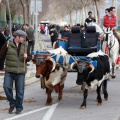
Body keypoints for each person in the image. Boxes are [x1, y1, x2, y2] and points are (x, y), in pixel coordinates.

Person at [0, 30, 32, 114]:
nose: (24, 39)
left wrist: (27, 57)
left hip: (20, 71)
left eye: (24, 38)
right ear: (16, 37)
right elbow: (1, 55)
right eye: (22, 37)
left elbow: (30, 57)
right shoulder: (7, 44)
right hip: (9, 71)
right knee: (6, 87)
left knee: (20, 91)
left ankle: (19, 107)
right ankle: (12, 103)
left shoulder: (25, 45)